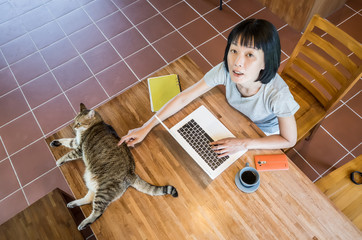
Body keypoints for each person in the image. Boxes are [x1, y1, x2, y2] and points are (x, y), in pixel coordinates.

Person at [119, 19, 300, 157]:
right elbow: (184, 97)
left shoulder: (278, 96)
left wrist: (243, 144)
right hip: (236, 118)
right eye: (234, 50)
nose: (237, 62)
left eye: (250, 54)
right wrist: (146, 126)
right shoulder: (225, 70)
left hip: (264, 131)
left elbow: (289, 139)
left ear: (266, 61)